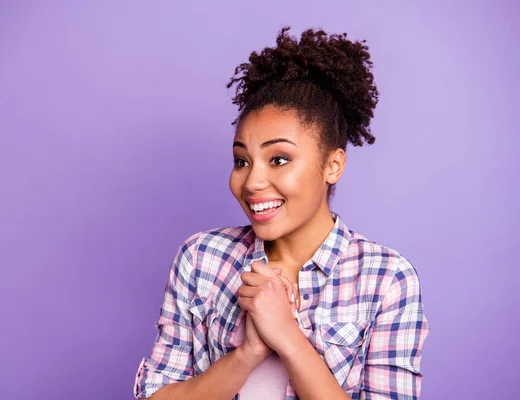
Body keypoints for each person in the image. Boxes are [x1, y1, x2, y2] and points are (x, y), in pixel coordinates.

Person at [133, 26, 430, 400]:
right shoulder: (202, 259)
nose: (253, 181)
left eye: (279, 159)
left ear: (333, 165)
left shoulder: (386, 280)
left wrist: (287, 335)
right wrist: (248, 352)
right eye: (242, 160)